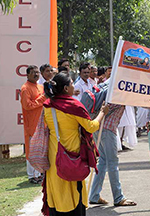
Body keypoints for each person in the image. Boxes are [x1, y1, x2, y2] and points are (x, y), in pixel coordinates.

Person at [42, 73, 109, 216]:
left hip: (54, 155)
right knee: (73, 191)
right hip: (72, 156)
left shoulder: (48, 106)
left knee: (57, 190)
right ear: (66, 88)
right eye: (72, 84)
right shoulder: (73, 106)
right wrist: (102, 113)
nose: (74, 86)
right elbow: (91, 126)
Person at [88, 95, 136, 206]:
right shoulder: (116, 91)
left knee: (103, 161)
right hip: (107, 129)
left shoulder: (111, 88)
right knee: (112, 162)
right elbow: (106, 109)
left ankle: (94, 195)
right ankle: (118, 197)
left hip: (99, 128)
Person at [20, 65, 47, 184]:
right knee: (31, 149)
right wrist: (42, 99)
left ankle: (39, 173)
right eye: (33, 73)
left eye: (37, 73)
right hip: (32, 124)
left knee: (40, 149)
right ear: (27, 75)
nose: (36, 75)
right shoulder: (25, 88)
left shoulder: (41, 87)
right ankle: (31, 175)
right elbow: (27, 106)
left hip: (42, 123)